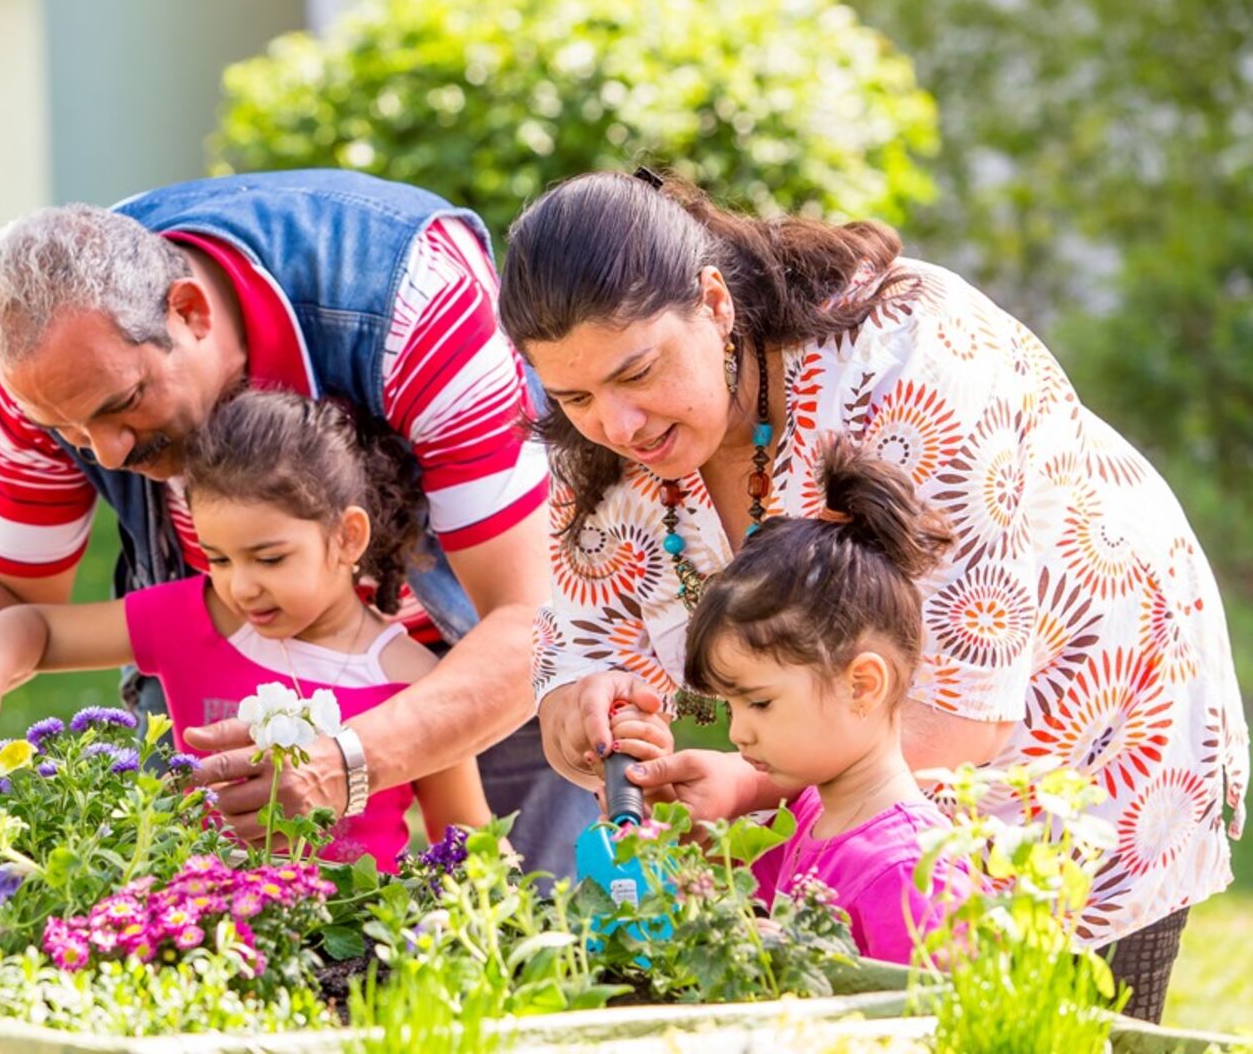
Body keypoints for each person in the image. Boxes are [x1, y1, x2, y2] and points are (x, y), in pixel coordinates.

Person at [496, 167, 1248, 1021]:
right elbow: (573, 650)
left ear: (712, 303)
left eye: (639, 372)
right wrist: (585, 714)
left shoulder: (917, 359)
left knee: (1064, 1032)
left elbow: (963, 711)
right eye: (575, 394)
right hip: (839, 809)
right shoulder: (595, 442)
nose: (618, 425)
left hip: (1085, 730)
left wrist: (748, 783)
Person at [0, 170, 597, 878]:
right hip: (223, 666)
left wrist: (342, 763)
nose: (108, 452)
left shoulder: (411, 297)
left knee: (536, 923)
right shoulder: (47, 363)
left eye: (121, 405)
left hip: (471, 652)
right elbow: (13, 593)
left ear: (189, 311)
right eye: (71, 432)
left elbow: (531, 627)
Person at [0, 389, 490, 872]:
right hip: (198, 941)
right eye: (218, 558)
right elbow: (35, 627)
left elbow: (468, 847)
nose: (241, 587)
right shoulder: (196, 620)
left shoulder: (418, 683)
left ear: (347, 536)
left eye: (268, 559)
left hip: (356, 953)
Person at [681, 433, 970, 965]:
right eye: (731, 708)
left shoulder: (912, 873)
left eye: (759, 703)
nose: (737, 733)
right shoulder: (811, 812)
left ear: (861, 684)